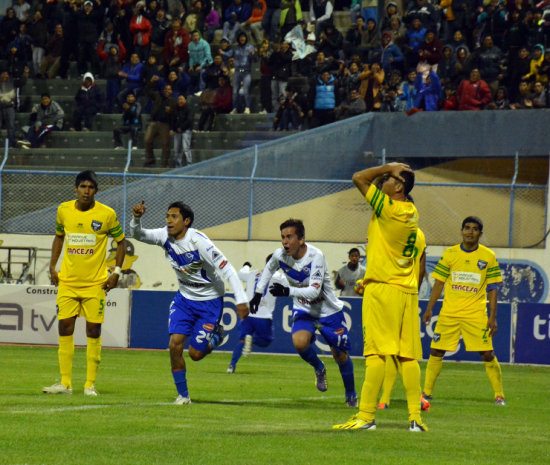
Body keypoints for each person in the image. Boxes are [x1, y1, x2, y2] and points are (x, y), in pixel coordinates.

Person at [333, 162, 427, 432]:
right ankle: (415, 420)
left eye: (389, 179)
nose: (383, 180)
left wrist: (388, 166)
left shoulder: (388, 210)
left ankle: (366, 417)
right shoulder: (413, 219)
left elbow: (358, 177)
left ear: (398, 186)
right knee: (408, 356)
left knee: (375, 353)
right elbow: (401, 259)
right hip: (406, 292)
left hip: (383, 291)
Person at [130, 200, 249, 404]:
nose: (168, 220)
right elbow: (138, 235)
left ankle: (215, 337)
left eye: (174, 217)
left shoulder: (200, 243)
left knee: (195, 354)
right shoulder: (164, 236)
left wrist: (241, 299)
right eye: (167, 216)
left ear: (186, 221)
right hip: (184, 299)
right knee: (174, 346)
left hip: (209, 302)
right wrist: (137, 219)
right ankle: (183, 396)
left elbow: (227, 269)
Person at [250, 219, 357, 407]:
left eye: (289, 237)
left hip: (328, 310)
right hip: (304, 308)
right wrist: (258, 294)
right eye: (283, 237)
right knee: (299, 342)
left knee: (340, 355)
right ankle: (319, 367)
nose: (285, 242)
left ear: (301, 239)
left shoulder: (316, 256)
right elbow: (268, 269)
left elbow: (315, 291)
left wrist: (287, 292)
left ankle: (351, 395)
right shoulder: (280, 255)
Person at [43, 170, 126, 396]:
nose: (86, 191)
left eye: (90, 187)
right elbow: (59, 236)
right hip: (68, 282)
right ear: (75, 189)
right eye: (82, 187)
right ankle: (65, 383)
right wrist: (53, 266)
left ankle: (90, 384)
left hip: (95, 284)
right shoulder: (63, 211)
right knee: (64, 327)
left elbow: (121, 242)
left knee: (93, 330)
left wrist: (116, 273)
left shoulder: (106, 214)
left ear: (96, 191)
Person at [421, 216, 505, 407]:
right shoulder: (450, 254)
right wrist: (429, 308)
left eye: (474, 229)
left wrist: (493, 317)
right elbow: (439, 283)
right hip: (449, 313)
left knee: (487, 354)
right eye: (466, 228)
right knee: (436, 350)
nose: (470, 232)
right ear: (461, 231)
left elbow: (493, 289)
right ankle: (427, 393)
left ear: (480, 234)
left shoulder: (488, 256)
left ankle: (499, 395)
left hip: (475, 314)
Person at [227, 255, 286, 373]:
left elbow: (240, 274)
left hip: (248, 315)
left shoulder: (253, 274)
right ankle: (252, 340)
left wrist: (246, 265)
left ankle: (231, 366)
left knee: (242, 340)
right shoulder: (279, 277)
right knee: (266, 341)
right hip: (263, 315)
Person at [143, 75, 177, 167]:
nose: (167, 91)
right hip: (154, 122)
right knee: (147, 140)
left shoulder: (174, 102)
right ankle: (150, 159)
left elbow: (175, 116)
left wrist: (172, 127)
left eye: (169, 89)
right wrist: (151, 82)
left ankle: (164, 164)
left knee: (166, 144)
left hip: (165, 124)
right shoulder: (158, 96)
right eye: (165, 89)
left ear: (172, 91)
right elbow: (147, 91)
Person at [170, 94, 193, 167]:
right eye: (179, 99)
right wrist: (173, 129)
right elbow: (172, 119)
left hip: (186, 130)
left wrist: (182, 128)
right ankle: (178, 165)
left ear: (185, 100)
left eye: (181, 99)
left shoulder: (189, 108)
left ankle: (189, 164)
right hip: (177, 131)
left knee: (186, 148)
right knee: (177, 149)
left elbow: (189, 120)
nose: (180, 101)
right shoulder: (175, 108)